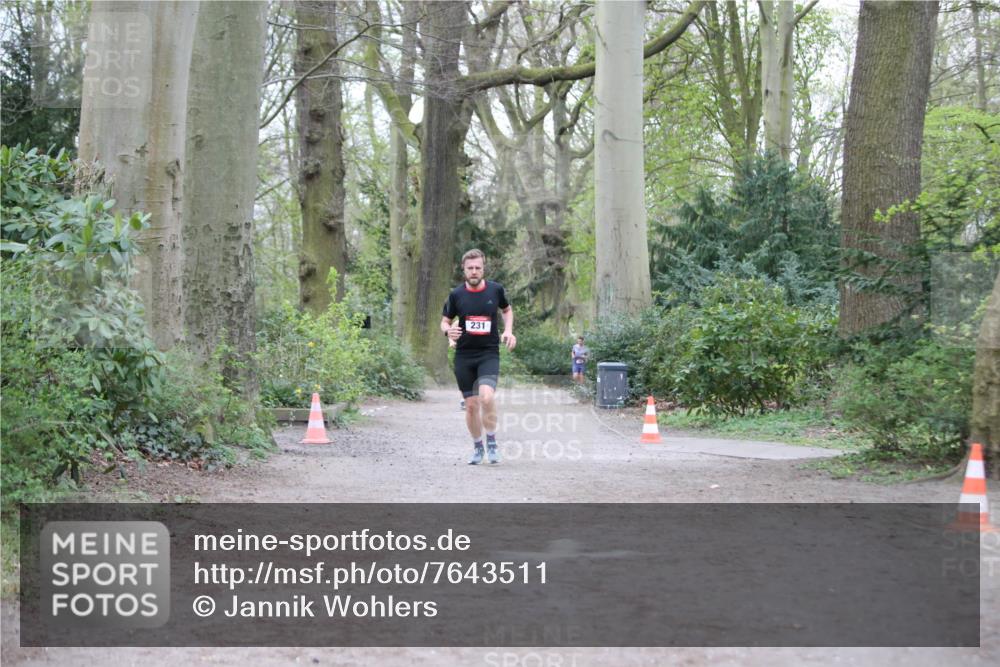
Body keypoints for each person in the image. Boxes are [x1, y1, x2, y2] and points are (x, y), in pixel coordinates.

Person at [441, 249, 516, 465]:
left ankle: (491, 443)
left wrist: (508, 331)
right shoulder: (456, 295)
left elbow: (507, 310)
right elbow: (445, 321)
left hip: (488, 353)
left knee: (487, 397)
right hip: (464, 355)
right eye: (470, 268)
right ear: (463, 270)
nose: (474, 271)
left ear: (483, 269)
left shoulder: (495, 290)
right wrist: (448, 331)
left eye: (478, 268)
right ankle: (477, 447)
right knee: (472, 405)